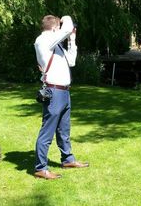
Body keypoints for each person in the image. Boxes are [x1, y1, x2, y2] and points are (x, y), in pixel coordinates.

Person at [34, 15, 88, 180]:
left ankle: (68, 160)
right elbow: (66, 27)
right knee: (47, 131)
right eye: (60, 28)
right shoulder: (42, 41)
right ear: (54, 28)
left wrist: (72, 39)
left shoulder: (56, 46)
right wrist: (67, 19)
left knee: (64, 130)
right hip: (54, 92)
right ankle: (40, 168)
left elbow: (71, 61)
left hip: (64, 92)